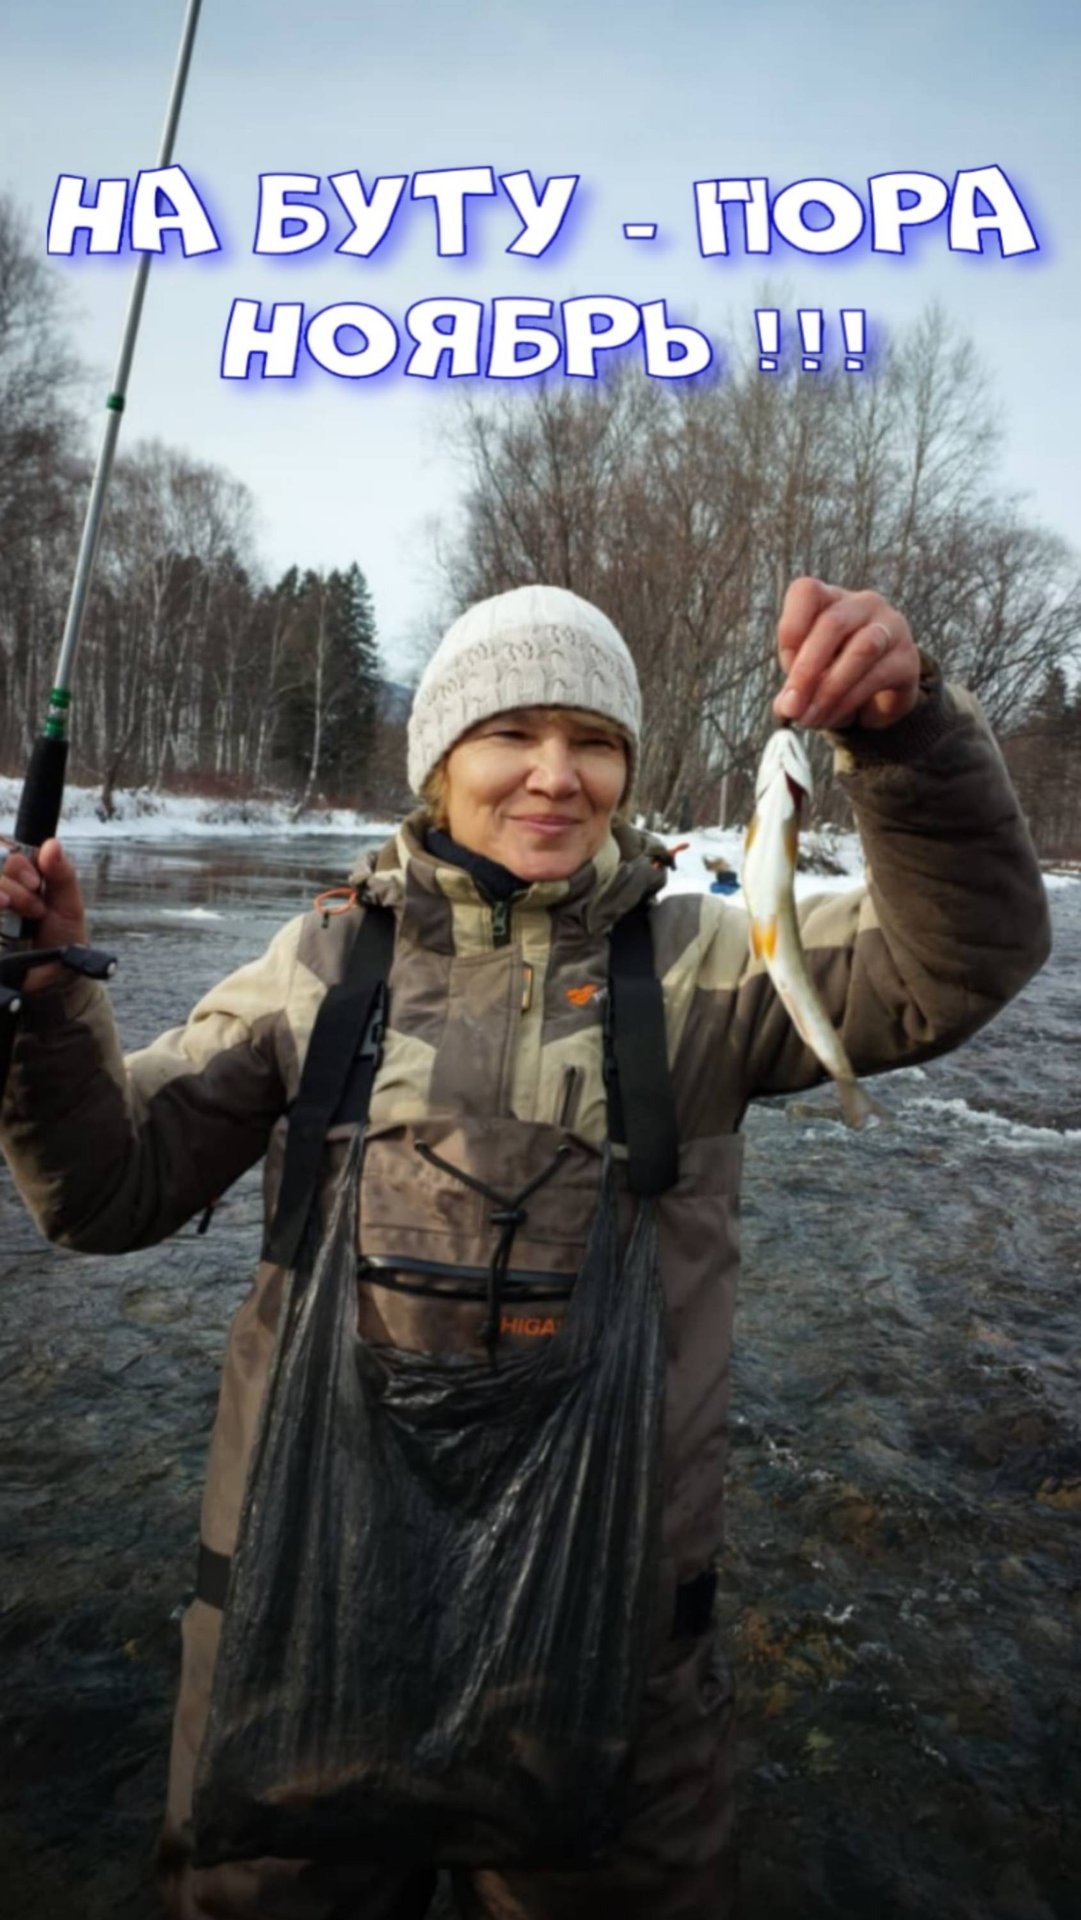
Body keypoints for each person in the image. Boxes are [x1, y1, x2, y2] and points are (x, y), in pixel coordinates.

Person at [0, 577, 1051, 1920]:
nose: (557, 775)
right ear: (439, 761)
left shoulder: (711, 970)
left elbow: (958, 961)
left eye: (594, 741)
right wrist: (46, 1010)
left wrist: (908, 743)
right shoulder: (316, 969)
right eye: (511, 733)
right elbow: (106, 1195)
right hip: (298, 1626)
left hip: (613, 1653)